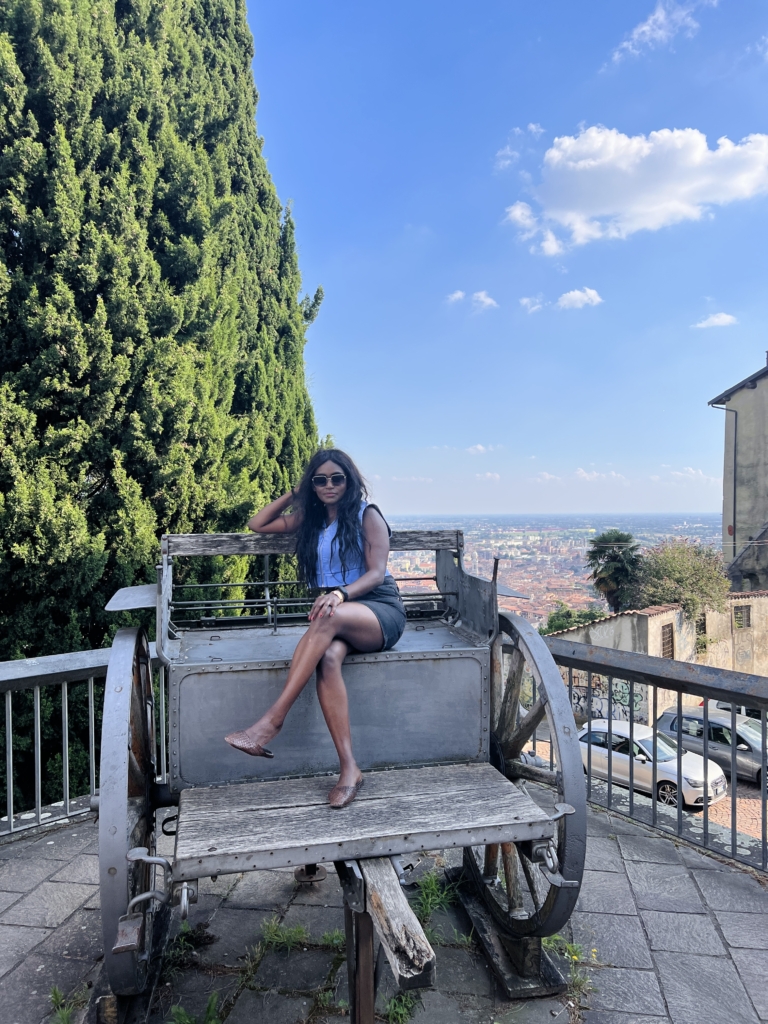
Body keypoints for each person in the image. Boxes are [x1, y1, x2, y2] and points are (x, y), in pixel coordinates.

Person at [225, 449, 406, 808]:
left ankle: (270, 723)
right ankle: (349, 768)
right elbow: (257, 524)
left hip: (377, 608)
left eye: (337, 478)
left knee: (327, 617)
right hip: (338, 614)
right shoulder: (310, 519)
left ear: (350, 481)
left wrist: (340, 593)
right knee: (328, 659)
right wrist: (296, 494)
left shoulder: (367, 515)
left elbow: (375, 572)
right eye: (320, 479)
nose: (329, 485)